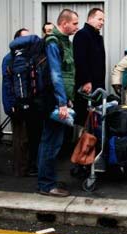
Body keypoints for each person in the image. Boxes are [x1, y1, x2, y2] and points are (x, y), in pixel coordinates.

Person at [37, 9, 79, 197]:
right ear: (64, 23)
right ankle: (46, 185)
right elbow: (55, 74)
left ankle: (47, 180)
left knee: (53, 141)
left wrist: (67, 97)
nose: (77, 27)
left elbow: (67, 74)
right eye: (75, 23)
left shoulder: (65, 42)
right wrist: (62, 102)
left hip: (60, 99)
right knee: (50, 143)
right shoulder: (53, 42)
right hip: (52, 100)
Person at [1, 28, 40, 177]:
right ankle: (20, 170)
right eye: (25, 38)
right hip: (16, 104)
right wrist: (11, 105)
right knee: (20, 138)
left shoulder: (28, 57)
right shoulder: (9, 59)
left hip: (28, 102)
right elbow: (7, 84)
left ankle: (28, 167)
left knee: (28, 136)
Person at [73, 8, 106, 126]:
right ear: (90, 19)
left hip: (98, 86)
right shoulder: (82, 35)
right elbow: (80, 60)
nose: (102, 22)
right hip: (87, 87)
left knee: (96, 120)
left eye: (103, 20)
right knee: (83, 119)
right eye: (99, 19)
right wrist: (86, 81)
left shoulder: (98, 37)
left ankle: (92, 143)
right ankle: (80, 143)